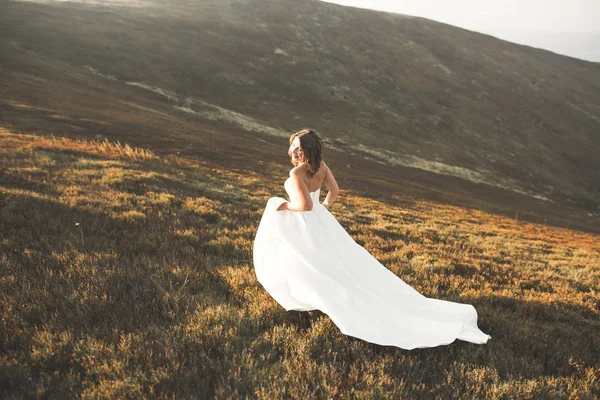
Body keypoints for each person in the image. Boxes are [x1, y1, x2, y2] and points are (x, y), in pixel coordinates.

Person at [253, 129, 490, 349]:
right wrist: (323, 207)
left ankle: (316, 299)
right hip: (322, 222)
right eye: (293, 146)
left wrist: (283, 204)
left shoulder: (297, 172)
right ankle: (321, 296)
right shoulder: (321, 166)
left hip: (305, 222)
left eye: (298, 148)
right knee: (333, 261)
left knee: (311, 261)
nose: (294, 151)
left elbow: (303, 206)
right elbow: (333, 191)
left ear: (308, 150)